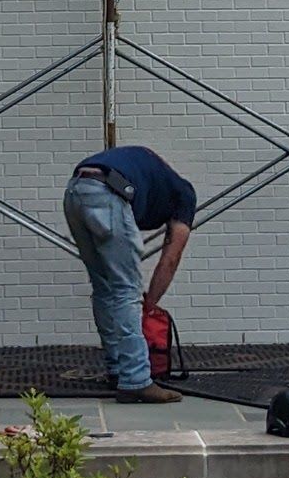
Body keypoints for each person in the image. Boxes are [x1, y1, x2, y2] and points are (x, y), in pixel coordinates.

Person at [62, 143, 194, 404]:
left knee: (104, 287)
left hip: (75, 191)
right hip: (107, 192)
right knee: (126, 289)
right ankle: (136, 380)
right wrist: (150, 304)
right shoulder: (184, 195)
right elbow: (170, 258)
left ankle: (117, 369)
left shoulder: (148, 171)